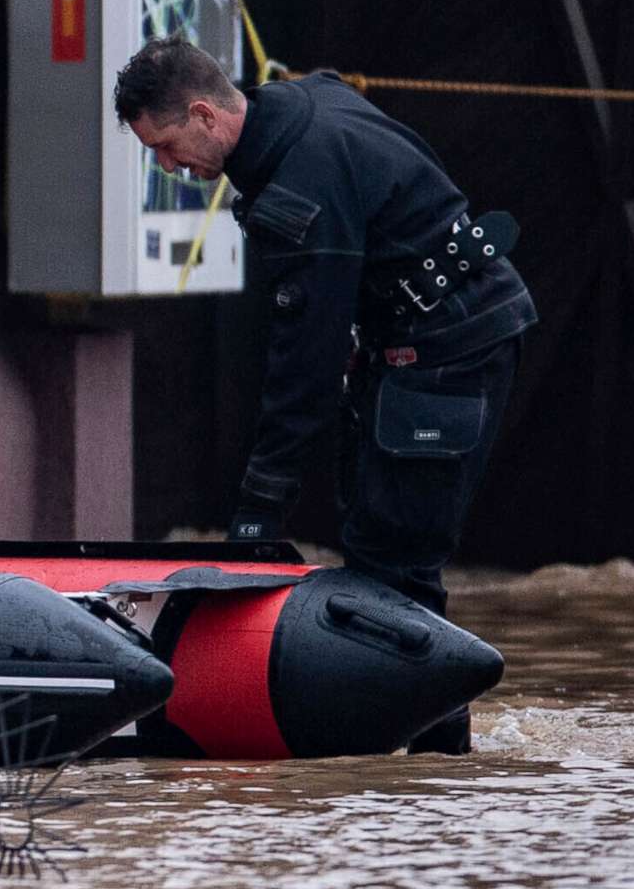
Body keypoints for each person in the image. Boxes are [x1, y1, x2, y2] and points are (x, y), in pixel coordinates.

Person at [115, 38, 535, 751]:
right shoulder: (302, 101)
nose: (168, 166)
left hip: (448, 350)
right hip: (416, 344)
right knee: (376, 545)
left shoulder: (300, 186)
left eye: (165, 146)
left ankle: (430, 778)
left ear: (203, 114)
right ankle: (414, 762)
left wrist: (256, 513)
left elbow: (302, 365)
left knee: (397, 558)